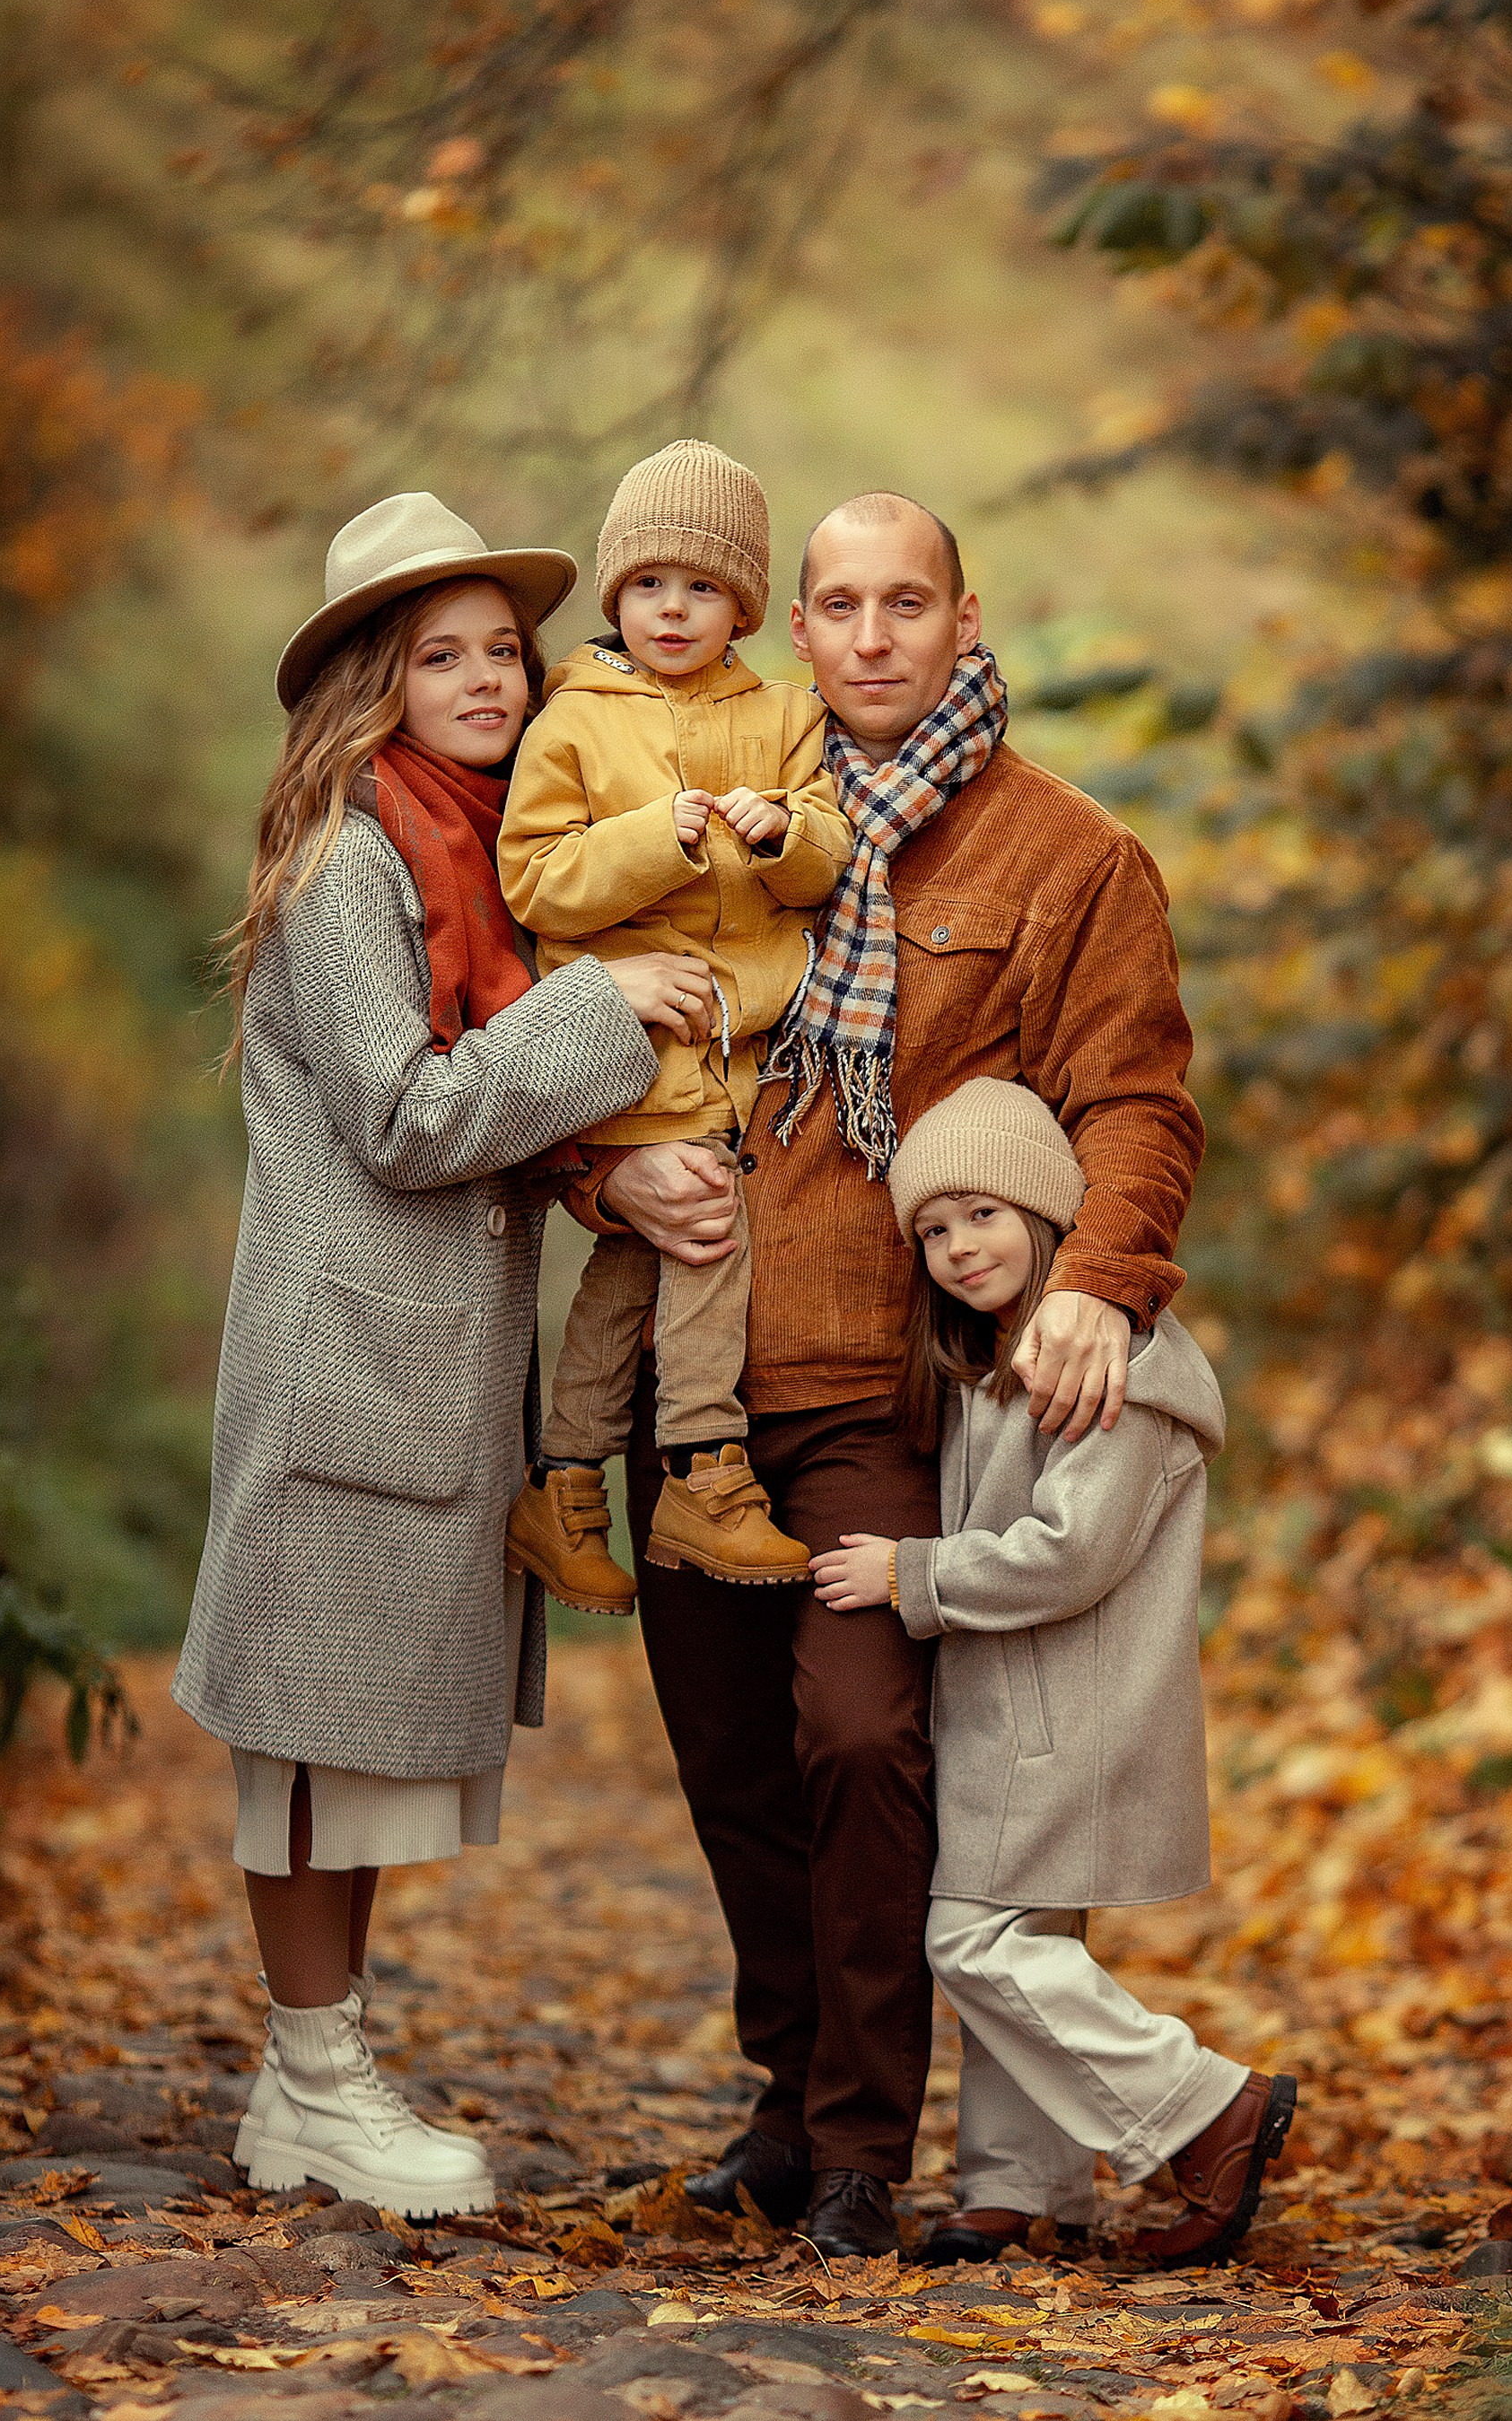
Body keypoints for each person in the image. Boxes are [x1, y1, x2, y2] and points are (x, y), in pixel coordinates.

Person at [564, 490, 1207, 2255]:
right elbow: (568, 1038)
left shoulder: (1062, 856)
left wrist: (1100, 1282)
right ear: (800, 624)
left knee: (856, 1735)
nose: (865, 636)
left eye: (900, 602)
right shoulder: (705, 814)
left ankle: (864, 2142)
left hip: (884, 1390)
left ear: (959, 616)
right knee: (730, 1767)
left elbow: (1136, 1102)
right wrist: (592, 1175)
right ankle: (790, 2102)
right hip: (687, 1383)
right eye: (835, 605)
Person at [173, 492, 709, 2216]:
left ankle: (309, 2081)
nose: (488, 680)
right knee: (313, 1743)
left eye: (504, 651)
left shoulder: (478, 849)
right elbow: (410, 1122)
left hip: (422, 1375)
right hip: (346, 1367)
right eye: (443, 656)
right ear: (369, 684)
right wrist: (603, 1005)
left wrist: (611, 1151)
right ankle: (316, 2082)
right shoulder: (351, 859)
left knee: (365, 1740)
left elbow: (492, 1120)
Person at [812, 1077, 1298, 2268]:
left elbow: (1073, 1551)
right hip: (1018, 1709)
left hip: (1066, 1713)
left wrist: (912, 1577)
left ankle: (1204, 2108)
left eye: (981, 1215)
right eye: (931, 1229)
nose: (955, 1246)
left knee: (972, 1942)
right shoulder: (992, 1358)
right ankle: (1017, 2190)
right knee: (1025, 1937)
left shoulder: (1101, 1359)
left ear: (1045, 1213)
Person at [498, 441, 852, 1607]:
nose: (672, 608)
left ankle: (560, 1480)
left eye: (701, 588)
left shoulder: (787, 717)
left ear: (745, 604)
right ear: (616, 595)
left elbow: (824, 864)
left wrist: (778, 833)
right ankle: (703, 1465)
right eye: (649, 585)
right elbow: (537, 884)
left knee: (632, 1269)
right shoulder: (570, 723)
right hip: (630, 1054)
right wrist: (660, 835)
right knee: (708, 1231)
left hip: (746, 1054)